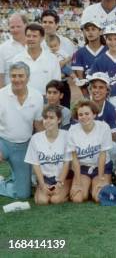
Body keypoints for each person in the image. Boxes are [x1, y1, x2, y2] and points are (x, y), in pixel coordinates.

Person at [0, 62, 44, 199]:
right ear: (9, 77)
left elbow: (38, 125)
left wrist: (45, 147)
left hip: (24, 146)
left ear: (28, 77)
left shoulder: (37, 97)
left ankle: (4, 183)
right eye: (13, 76)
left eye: (21, 76)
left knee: (23, 194)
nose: (17, 79)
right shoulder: (1, 95)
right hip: (3, 141)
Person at [68, 99, 113, 203]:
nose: (84, 117)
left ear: (94, 114)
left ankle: (94, 186)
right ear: (77, 117)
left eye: (87, 113)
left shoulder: (103, 127)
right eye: (80, 115)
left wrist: (101, 179)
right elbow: (74, 159)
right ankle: (87, 187)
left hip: (101, 167)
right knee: (77, 198)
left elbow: (103, 155)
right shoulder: (72, 130)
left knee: (99, 197)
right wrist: (78, 181)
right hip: (83, 168)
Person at [11, 23, 61, 94]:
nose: (31, 39)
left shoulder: (52, 59)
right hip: (24, 99)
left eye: (34, 36)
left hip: (46, 99)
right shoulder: (17, 59)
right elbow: (14, 82)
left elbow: (57, 83)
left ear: (42, 38)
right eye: (28, 36)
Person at [72, 18, 106, 93]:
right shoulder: (79, 53)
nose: (90, 32)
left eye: (93, 29)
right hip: (89, 92)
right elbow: (80, 79)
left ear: (100, 32)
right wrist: (86, 96)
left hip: (108, 91)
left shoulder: (108, 50)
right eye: (87, 30)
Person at [0, 13, 27, 87]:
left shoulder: (35, 45)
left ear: (25, 25)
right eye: (12, 27)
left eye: (18, 26)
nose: (15, 30)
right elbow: (0, 77)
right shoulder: (2, 49)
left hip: (33, 94)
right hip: (11, 95)